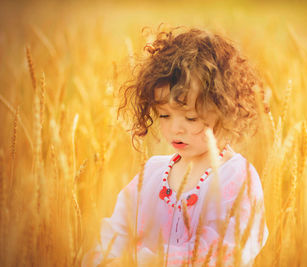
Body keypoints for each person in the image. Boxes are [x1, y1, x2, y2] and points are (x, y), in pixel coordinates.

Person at [83, 26, 268, 267]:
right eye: (164, 115)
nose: (175, 129)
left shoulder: (237, 178)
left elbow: (228, 253)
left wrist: (141, 261)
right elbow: (114, 232)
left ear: (225, 110)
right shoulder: (151, 174)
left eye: (190, 118)